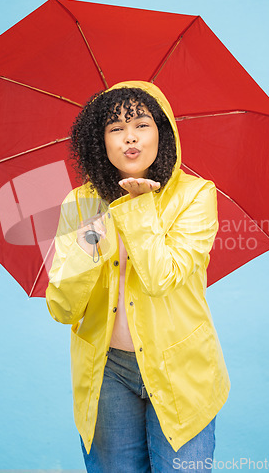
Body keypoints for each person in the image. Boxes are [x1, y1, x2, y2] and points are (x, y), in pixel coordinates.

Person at [46, 81, 230, 472]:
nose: (129, 137)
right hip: (107, 372)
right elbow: (62, 308)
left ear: (162, 132)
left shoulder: (196, 196)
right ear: (101, 142)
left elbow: (162, 277)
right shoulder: (80, 203)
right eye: (115, 128)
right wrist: (88, 242)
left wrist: (139, 207)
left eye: (141, 124)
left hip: (181, 369)